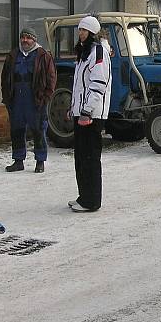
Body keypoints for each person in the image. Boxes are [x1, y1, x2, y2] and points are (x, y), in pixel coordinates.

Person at [68, 16, 112, 212]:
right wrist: (74, 108)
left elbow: (98, 84)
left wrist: (86, 110)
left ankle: (92, 200)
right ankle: (83, 196)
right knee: (81, 157)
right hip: (82, 112)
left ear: (93, 32)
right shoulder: (85, 52)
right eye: (79, 30)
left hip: (92, 115)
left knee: (90, 158)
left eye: (84, 30)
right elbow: (79, 85)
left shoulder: (99, 52)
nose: (81, 33)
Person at [1, 28, 57, 173]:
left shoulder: (43, 55)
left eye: (28, 38)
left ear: (34, 40)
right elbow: (5, 77)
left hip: (35, 99)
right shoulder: (13, 55)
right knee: (17, 130)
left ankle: (40, 161)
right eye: (23, 37)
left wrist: (45, 97)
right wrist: (7, 98)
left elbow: (51, 78)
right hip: (17, 98)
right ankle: (18, 160)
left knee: (39, 130)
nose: (25, 40)